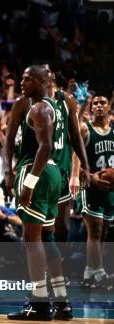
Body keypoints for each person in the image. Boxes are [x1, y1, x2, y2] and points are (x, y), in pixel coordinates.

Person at [5, 66, 70, 321]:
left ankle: (39, 303)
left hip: (37, 171)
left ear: (44, 81)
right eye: (21, 77)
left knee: (32, 241)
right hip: (52, 174)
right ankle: (62, 303)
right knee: (48, 238)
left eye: (28, 78)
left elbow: (45, 146)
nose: (22, 82)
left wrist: (29, 183)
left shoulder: (39, 107)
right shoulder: (51, 107)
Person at [72, 95, 114, 289]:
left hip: (109, 188)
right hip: (88, 185)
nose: (98, 106)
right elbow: (75, 159)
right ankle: (100, 273)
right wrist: (90, 177)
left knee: (104, 231)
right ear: (91, 107)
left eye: (102, 103)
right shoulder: (84, 129)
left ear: (109, 107)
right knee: (94, 230)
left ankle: (90, 271)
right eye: (95, 103)